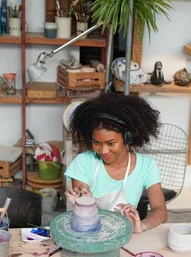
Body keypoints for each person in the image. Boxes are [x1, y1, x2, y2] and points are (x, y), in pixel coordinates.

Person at [64, 93, 167, 233]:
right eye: (96, 142)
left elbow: (160, 210)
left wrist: (141, 226)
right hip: (89, 232)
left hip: (125, 233)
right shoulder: (83, 162)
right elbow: (85, 217)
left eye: (111, 143)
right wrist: (85, 204)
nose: (103, 150)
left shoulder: (146, 166)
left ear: (128, 138)